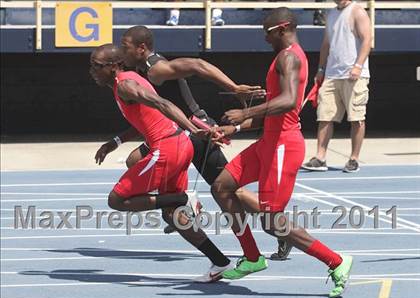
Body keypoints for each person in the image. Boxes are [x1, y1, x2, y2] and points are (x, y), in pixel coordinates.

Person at [113, 25, 293, 260]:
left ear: (141, 48)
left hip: (195, 133)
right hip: (176, 134)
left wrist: (233, 88)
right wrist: (116, 141)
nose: (120, 51)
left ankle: (284, 230)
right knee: (134, 160)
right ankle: (184, 202)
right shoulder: (141, 73)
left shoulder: (156, 68)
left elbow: (197, 65)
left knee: (230, 189)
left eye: (124, 47)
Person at [211, 7, 353, 298]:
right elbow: (274, 112)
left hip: (283, 146)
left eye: (267, 31)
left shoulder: (289, 56)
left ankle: (336, 261)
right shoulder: (284, 57)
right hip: (269, 142)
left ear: (282, 28)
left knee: (272, 222)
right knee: (222, 187)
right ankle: (252, 258)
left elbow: (288, 102)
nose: (265, 37)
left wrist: (245, 111)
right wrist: (235, 129)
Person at [90, 44, 234, 283]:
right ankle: (220, 262)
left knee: (116, 200)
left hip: (168, 149)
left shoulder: (126, 85)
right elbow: (145, 118)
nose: (92, 71)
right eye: (91, 66)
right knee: (172, 215)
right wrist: (115, 142)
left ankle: (183, 198)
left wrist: (194, 129)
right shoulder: (126, 81)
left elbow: (163, 105)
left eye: (96, 66)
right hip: (177, 145)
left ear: (114, 66)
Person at [302, 0, 371, 173]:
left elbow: (367, 40)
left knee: (356, 117)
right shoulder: (331, 13)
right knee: (324, 116)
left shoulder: (358, 11)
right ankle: (320, 157)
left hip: (354, 75)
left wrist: (358, 66)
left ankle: (354, 159)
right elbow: (326, 44)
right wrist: (320, 69)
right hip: (332, 74)